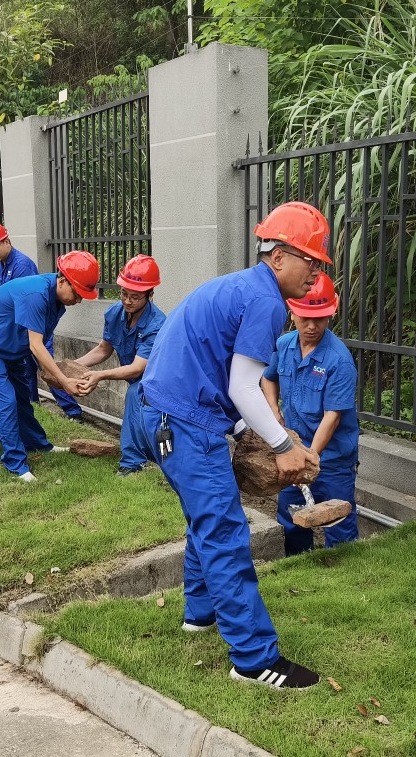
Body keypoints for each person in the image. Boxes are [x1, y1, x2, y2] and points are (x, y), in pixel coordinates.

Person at [138, 201, 328, 691]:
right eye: (311, 259)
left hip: (164, 413)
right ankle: (254, 660)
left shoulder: (243, 286)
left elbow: (225, 375)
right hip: (183, 423)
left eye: (320, 262)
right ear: (279, 256)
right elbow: (244, 387)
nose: (317, 271)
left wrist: (254, 430)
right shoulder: (265, 300)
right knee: (224, 530)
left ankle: (199, 613)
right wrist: (283, 445)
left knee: (207, 519)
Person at [0, 250, 102, 480]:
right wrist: (63, 381)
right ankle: (15, 462)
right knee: (6, 400)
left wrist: (52, 371)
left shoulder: (57, 300)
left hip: (12, 347)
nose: (79, 300)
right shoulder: (36, 294)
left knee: (22, 398)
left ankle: (37, 444)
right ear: (62, 280)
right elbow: (36, 345)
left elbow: (39, 342)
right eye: (78, 293)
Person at [263, 274, 360, 554]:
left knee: (338, 524)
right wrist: (273, 408)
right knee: (291, 519)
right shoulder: (284, 345)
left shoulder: (339, 360)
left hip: (332, 461)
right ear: (292, 312)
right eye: (305, 317)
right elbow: (268, 377)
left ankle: (343, 570)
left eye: (320, 318)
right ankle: (299, 563)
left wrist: (311, 456)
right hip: (292, 451)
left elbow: (333, 417)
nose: (311, 326)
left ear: (331, 313)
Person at [68, 255, 166, 474]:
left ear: (150, 295)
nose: (127, 301)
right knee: (144, 416)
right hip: (137, 379)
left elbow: (138, 368)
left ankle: (132, 464)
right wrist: (72, 365)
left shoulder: (157, 324)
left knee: (138, 398)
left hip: (160, 381)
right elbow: (104, 349)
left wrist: (100, 375)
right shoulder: (114, 313)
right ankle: (152, 456)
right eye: (124, 293)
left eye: (135, 296)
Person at [0, 220, 84, 421]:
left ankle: (73, 411)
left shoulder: (22, 265)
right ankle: (33, 405)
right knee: (26, 370)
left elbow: (29, 303)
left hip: (36, 326)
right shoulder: (2, 265)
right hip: (21, 329)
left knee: (48, 366)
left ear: (7, 241)